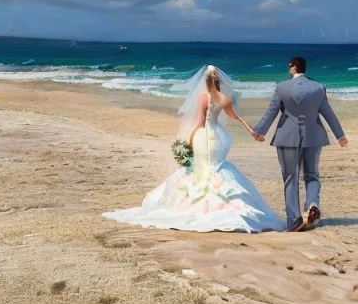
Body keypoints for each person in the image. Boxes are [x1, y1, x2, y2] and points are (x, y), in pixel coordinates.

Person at [102, 65, 284, 233]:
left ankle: (196, 202)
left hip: (204, 136)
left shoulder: (203, 97)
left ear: (205, 81)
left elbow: (198, 122)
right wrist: (252, 131)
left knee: (202, 166)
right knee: (217, 166)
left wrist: (188, 141)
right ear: (219, 80)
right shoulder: (226, 98)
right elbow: (236, 117)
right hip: (219, 137)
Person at [253, 56, 349, 232]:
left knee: (291, 178)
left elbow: (271, 112)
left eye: (289, 66)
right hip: (313, 136)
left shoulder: (281, 87)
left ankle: (294, 220)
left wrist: (260, 131)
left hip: (287, 137)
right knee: (312, 174)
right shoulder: (318, 88)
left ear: (293, 67)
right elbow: (329, 113)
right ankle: (312, 204)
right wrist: (340, 135)